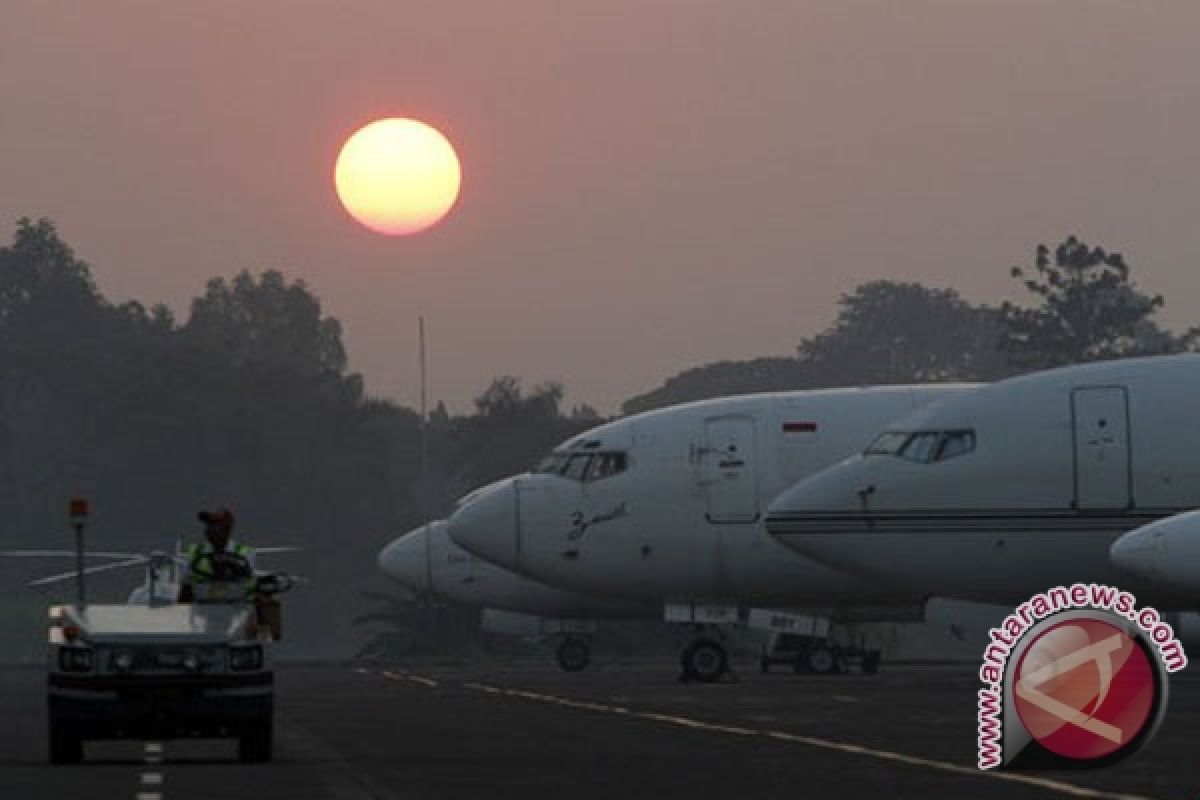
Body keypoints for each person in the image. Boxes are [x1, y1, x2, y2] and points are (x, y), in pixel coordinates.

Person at [178, 508, 257, 603]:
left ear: (227, 529)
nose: (209, 529)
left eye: (214, 525)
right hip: (202, 607)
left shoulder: (245, 553)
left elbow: (248, 582)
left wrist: (233, 568)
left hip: (238, 607)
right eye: (208, 525)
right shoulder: (195, 551)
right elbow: (186, 584)